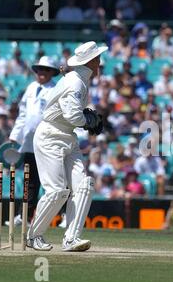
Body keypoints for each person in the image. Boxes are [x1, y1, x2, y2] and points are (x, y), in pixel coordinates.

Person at [26, 41, 107, 252]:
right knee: (57, 191)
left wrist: (86, 117)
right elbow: (72, 114)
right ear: (89, 61)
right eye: (97, 58)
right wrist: (88, 120)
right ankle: (33, 236)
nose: (100, 62)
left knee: (84, 185)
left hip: (67, 136)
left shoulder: (78, 79)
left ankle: (71, 239)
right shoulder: (76, 82)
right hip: (50, 136)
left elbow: (71, 113)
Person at [8, 56, 60, 226]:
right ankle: (24, 217)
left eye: (45, 70)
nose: (41, 73)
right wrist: (15, 136)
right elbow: (23, 115)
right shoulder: (31, 88)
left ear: (52, 72)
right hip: (29, 143)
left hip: (46, 142)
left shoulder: (55, 89)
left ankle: (62, 217)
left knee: (52, 182)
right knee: (30, 182)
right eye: (39, 69)